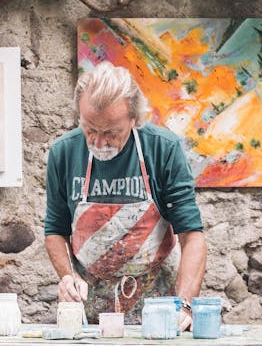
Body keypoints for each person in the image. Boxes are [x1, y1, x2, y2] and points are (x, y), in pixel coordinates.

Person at [44, 61, 207, 329]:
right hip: (90, 311)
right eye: (90, 129)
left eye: (111, 132)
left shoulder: (163, 150)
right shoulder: (63, 152)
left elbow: (192, 236)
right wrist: (67, 277)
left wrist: (185, 305)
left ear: (134, 119)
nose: (98, 142)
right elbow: (55, 230)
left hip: (161, 309)